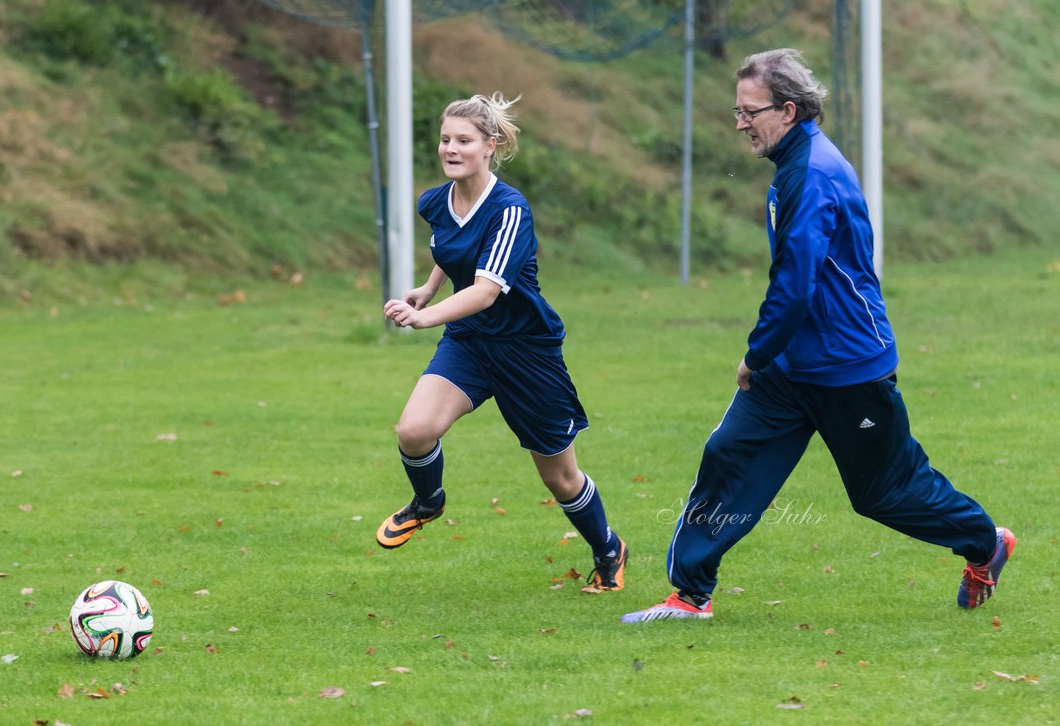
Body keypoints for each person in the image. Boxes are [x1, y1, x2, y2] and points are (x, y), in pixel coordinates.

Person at [621, 49, 1014, 623]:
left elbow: (796, 284)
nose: (739, 123)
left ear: (788, 109)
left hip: (847, 367)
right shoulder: (794, 165)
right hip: (791, 366)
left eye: (748, 111)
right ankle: (690, 595)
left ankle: (985, 544)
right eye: (736, 110)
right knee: (730, 455)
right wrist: (772, 357)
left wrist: (756, 355)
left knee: (885, 493)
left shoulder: (810, 174)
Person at [376, 92, 627, 593]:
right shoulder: (435, 201)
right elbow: (453, 249)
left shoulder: (511, 210)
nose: (451, 148)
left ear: (490, 146)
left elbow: (487, 291)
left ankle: (608, 548)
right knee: (414, 430)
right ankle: (428, 503)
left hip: (525, 352)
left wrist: (424, 320)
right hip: (470, 343)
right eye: (445, 139)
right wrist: (427, 289)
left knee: (560, 477)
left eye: (463, 141)